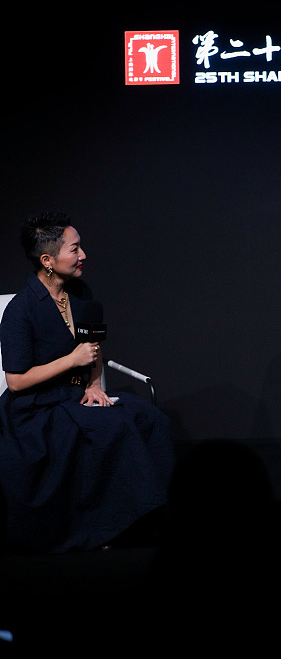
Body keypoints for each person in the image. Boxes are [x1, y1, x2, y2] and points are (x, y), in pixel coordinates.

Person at [0, 212, 175, 553]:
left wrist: (95, 385)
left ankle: (154, 517)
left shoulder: (80, 293)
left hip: (74, 394)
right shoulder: (20, 311)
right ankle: (108, 528)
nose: (83, 256)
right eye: (74, 249)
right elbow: (17, 381)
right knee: (111, 428)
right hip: (36, 409)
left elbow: (93, 347)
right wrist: (71, 361)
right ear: (48, 260)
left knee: (148, 417)